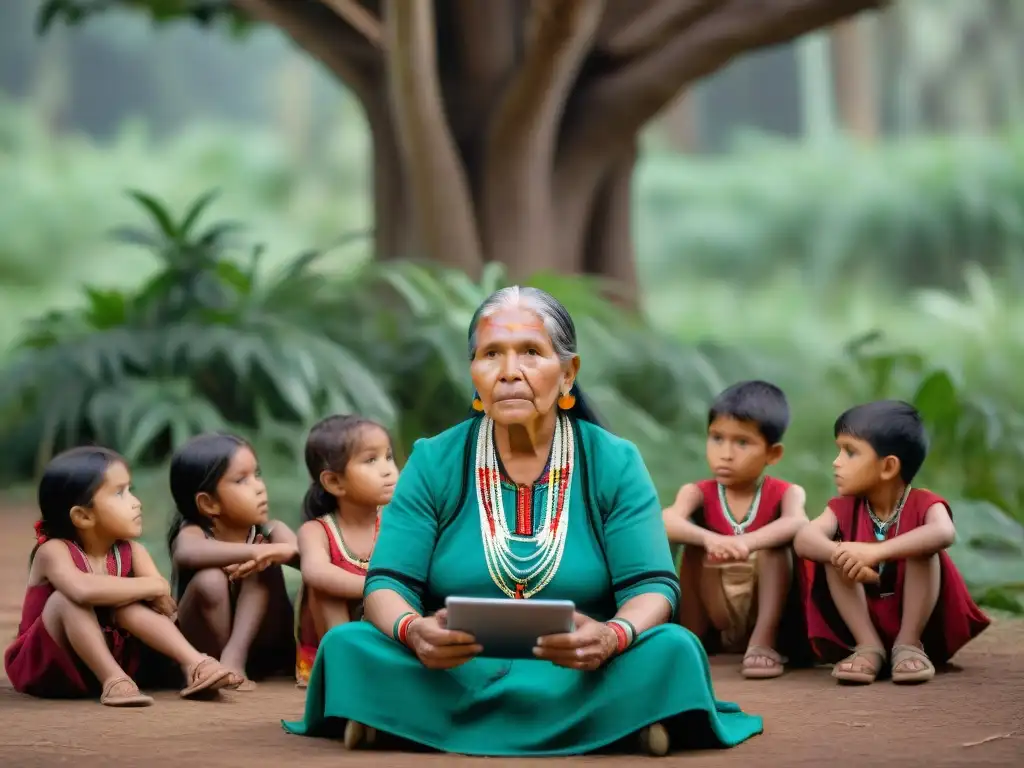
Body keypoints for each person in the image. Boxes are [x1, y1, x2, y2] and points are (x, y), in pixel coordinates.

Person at [282, 286, 763, 757]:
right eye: (491, 354)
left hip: (582, 666)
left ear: (568, 373)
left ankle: (394, 723)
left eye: (531, 352)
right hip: (454, 666)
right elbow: (387, 583)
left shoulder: (613, 461)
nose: (509, 372)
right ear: (474, 373)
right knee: (350, 644)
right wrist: (414, 632)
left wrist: (611, 637)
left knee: (671, 649)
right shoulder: (435, 460)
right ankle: (620, 726)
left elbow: (652, 586)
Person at [4, 446, 237, 706]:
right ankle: (113, 680)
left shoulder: (132, 552)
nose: (136, 502)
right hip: (51, 666)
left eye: (131, 490)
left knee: (128, 606)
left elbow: (164, 605)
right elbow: (82, 589)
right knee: (65, 601)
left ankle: (195, 664)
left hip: (117, 656)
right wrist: (154, 585)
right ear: (83, 516)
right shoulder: (53, 551)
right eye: (120, 493)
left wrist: (153, 594)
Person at [795, 400, 990, 684]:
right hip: (863, 617)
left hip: (919, 623)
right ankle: (868, 647)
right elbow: (804, 538)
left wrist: (875, 552)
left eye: (850, 452)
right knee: (836, 551)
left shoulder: (923, 503)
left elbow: (943, 533)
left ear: (888, 467)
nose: (836, 462)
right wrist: (843, 553)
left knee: (924, 548)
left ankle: (909, 644)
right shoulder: (844, 507)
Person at [663, 380, 811, 680]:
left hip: (765, 605)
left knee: (776, 546)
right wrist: (709, 538)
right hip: (713, 603)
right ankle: (693, 638)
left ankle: (763, 642)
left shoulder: (785, 493)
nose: (726, 453)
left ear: (773, 454)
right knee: (691, 543)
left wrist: (748, 542)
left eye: (742, 443)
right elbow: (666, 520)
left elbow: (797, 522)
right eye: (717, 438)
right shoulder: (698, 493)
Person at [168, 433, 299, 689]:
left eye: (257, 475)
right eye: (242, 480)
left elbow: (311, 561)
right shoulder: (193, 533)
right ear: (209, 503)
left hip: (266, 648)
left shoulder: (271, 531)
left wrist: (274, 552)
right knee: (209, 579)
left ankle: (234, 659)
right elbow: (186, 552)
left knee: (263, 565)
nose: (260, 487)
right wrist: (252, 553)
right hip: (204, 650)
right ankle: (215, 666)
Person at [294, 415, 399, 688]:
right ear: (334, 482)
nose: (388, 469)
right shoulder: (317, 531)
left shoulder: (396, 524)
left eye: (388, 457)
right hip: (328, 650)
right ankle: (345, 671)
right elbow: (315, 572)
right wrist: (380, 589)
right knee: (325, 586)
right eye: (371, 460)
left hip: (381, 639)